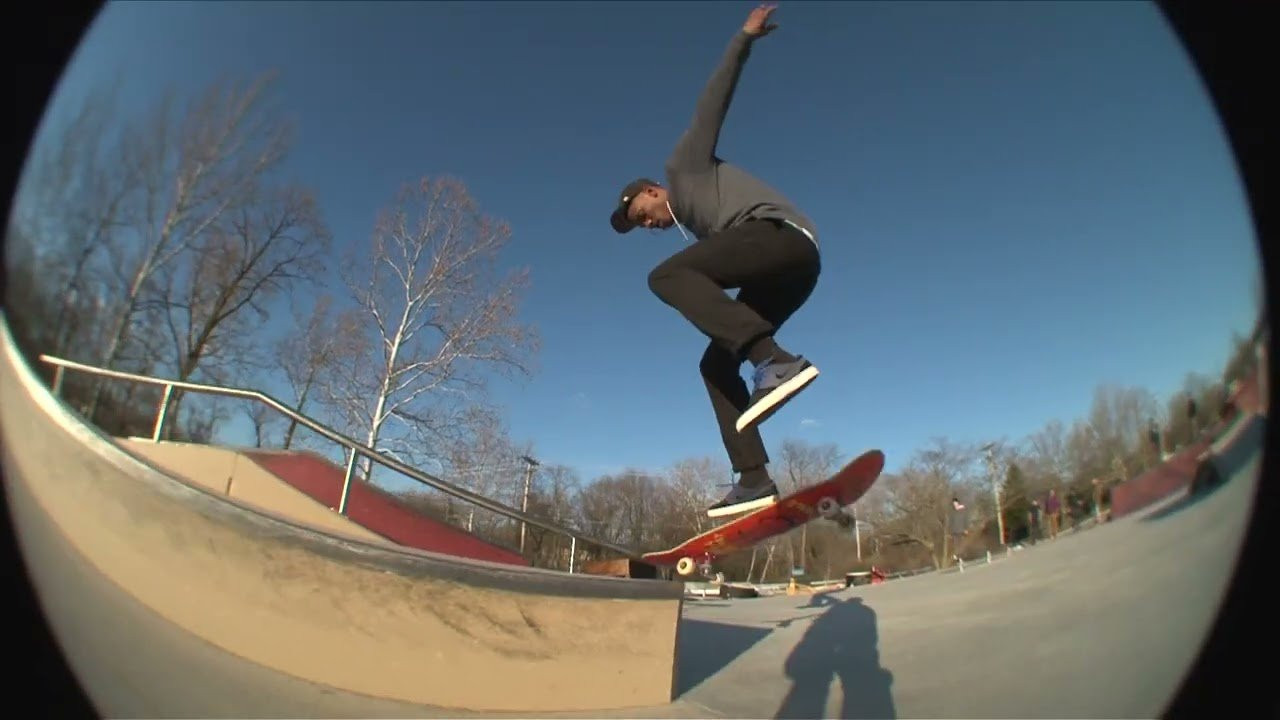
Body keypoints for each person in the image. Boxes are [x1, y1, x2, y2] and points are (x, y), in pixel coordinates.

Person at [608, 4, 821, 517]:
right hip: (786, 271)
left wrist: (742, 40)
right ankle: (752, 477)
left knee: (667, 274)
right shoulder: (704, 227)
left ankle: (774, 360)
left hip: (781, 239)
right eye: (641, 226)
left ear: (655, 191)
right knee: (713, 363)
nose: (649, 224)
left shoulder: (685, 167)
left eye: (644, 213)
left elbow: (713, 102)